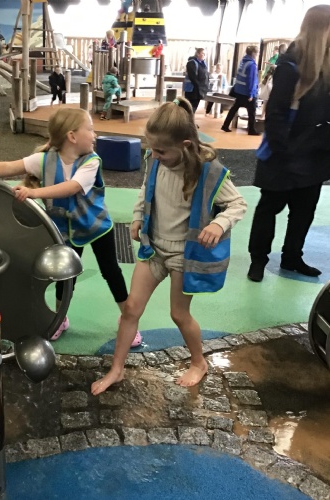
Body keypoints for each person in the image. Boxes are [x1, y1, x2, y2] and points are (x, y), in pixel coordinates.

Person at [91, 97, 247, 395]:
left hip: (183, 255)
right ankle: (117, 369)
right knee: (131, 308)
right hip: (154, 248)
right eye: (152, 149)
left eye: (161, 150)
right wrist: (138, 216)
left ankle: (199, 362)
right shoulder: (156, 161)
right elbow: (145, 189)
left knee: (179, 314)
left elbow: (237, 204)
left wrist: (219, 224)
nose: (155, 155)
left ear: (186, 145)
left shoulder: (208, 170)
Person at [0, 108, 142, 345]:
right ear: (72, 136)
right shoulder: (44, 160)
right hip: (65, 231)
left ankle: (127, 319)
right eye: (90, 129)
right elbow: (10, 166)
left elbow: (73, 187)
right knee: (65, 275)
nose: (94, 135)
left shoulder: (92, 161)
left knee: (111, 272)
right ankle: (60, 317)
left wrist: (34, 193)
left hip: (96, 228)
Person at [247, 5, 330, 283]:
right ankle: (258, 260)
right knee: (269, 208)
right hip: (284, 153)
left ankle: (292, 257)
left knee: (304, 211)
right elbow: (276, 113)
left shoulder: (327, 62)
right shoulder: (290, 63)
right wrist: (282, 151)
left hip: (315, 154)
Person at [221, 45, 260, 136]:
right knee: (252, 111)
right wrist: (251, 94)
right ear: (253, 53)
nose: (257, 54)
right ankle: (251, 130)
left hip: (239, 91)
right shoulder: (252, 65)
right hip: (247, 92)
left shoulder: (243, 62)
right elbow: (251, 80)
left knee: (234, 108)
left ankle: (225, 125)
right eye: (257, 53)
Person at [183, 48, 209, 114]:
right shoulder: (191, 63)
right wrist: (199, 87)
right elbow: (193, 77)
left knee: (193, 108)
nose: (204, 55)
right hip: (192, 90)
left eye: (205, 54)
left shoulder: (203, 64)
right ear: (197, 54)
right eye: (203, 53)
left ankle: (190, 119)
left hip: (200, 90)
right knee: (189, 108)